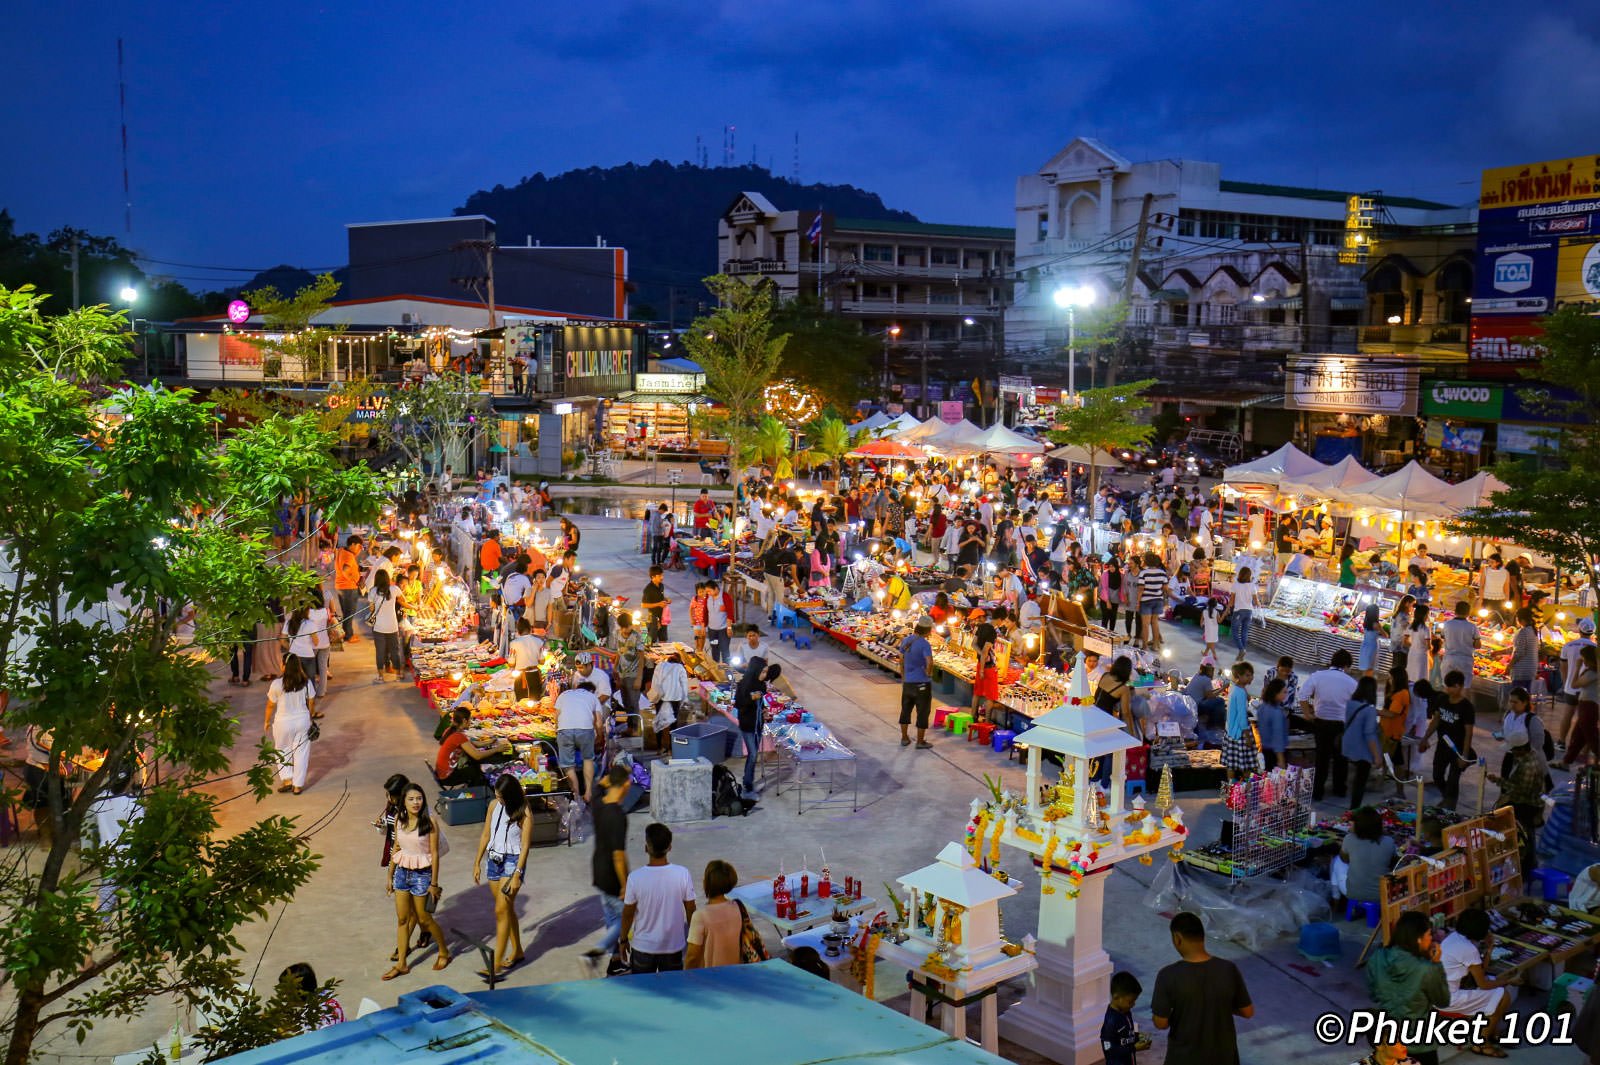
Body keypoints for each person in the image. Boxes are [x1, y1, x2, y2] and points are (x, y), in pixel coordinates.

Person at [1150, 911, 1253, 1065]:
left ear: (1177, 939)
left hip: (1183, 1058)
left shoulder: (1168, 976)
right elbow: (1248, 1012)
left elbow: (1161, 1023)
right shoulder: (1228, 969)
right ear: (1202, 937)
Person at [382, 782, 451, 980]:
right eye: (411, 799)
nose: (416, 802)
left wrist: (434, 884)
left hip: (422, 875)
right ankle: (402, 964)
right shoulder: (398, 819)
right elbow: (396, 847)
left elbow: (435, 854)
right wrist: (390, 875)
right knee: (402, 920)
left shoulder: (429, 821)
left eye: (419, 798)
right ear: (403, 801)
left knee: (424, 919)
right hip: (402, 873)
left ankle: (444, 951)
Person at [1366, 911, 1450, 1065]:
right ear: (1418, 939)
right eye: (1429, 935)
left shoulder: (1376, 958)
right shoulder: (1426, 968)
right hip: (1419, 1043)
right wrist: (1437, 965)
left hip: (1389, 1039)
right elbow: (1443, 1000)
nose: (1431, 939)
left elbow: (1373, 994)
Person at [472, 775, 534, 979]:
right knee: (507, 909)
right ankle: (517, 951)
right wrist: (477, 862)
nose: (499, 800)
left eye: (502, 797)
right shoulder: (493, 806)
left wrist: (517, 874)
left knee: (500, 910)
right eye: (497, 796)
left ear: (511, 795)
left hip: (512, 863)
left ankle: (495, 964)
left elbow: (525, 846)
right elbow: (485, 834)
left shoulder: (524, 811)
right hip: (493, 860)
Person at [620, 822, 697, 973]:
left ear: (646, 848)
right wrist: (693, 941)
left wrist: (623, 940)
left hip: (643, 947)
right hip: (673, 947)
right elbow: (691, 910)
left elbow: (628, 914)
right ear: (670, 847)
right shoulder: (683, 874)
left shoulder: (635, 877)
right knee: (672, 993)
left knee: (643, 993)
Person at [1437, 908, 1515, 1057]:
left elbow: (1480, 970)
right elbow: (1483, 984)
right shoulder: (1468, 948)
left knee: (1495, 990)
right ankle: (1481, 1043)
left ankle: (1492, 1032)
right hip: (1450, 999)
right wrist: (1507, 981)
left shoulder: (1453, 937)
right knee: (1502, 996)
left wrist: (1489, 949)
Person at [582, 764, 632, 972]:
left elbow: (595, 789)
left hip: (599, 871)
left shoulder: (599, 805)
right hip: (612, 875)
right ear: (626, 785)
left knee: (612, 919)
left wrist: (606, 779)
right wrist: (625, 885)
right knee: (626, 922)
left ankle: (616, 961)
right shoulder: (618, 816)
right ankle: (596, 952)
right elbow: (619, 856)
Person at [1301, 650, 1358, 802]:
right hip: (1341, 724)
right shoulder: (1351, 682)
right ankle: (1339, 789)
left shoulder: (1318, 676)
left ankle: (1318, 792)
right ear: (1346, 665)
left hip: (1321, 722)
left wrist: (1307, 713)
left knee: (1322, 758)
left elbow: (1302, 695)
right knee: (1341, 758)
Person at [1421, 671, 1475, 812]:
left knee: (1453, 780)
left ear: (1459, 686)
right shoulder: (1443, 700)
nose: (1447, 689)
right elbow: (1436, 720)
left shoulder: (1467, 707)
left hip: (1457, 749)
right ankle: (1447, 798)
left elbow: (1468, 733)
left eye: (1451, 687)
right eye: (1447, 686)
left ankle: (1450, 807)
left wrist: (1464, 755)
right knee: (1437, 775)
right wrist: (1425, 738)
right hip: (1442, 746)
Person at [265, 656, 317, 795]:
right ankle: (297, 785)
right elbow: (311, 702)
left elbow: (270, 705)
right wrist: (310, 715)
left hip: (283, 722)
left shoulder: (277, 684)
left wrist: (266, 721)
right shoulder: (306, 683)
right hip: (302, 721)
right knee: (301, 752)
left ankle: (287, 779)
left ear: (284, 665)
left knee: (282, 750)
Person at [686, 859, 747, 969]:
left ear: (707, 883)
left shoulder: (700, 916)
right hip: (735, 973)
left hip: (710, 978)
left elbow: (692, 956)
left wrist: (685, 977)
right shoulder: (738, 907)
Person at [1338, 806, 1397, 910]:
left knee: (1336, 862)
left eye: (1352, 823)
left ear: (1359, 825)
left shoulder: (1349, 839)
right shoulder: (1389, 841)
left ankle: (1336, 899)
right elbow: (1392, 865)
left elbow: (1344, 859)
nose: (1350, 825)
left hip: (1354, 893)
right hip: (1383, 894)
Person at [736, 658, 778, 797]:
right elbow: (740, 703)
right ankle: (747, 784)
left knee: (754, 755)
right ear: (755, 670)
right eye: (763, 671)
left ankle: (749, 782)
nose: (764, 675)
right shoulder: (743, 684)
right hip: (747, 725)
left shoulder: (761, 685)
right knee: (753, 754)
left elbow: (760, 702)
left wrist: (764, 710)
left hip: (758, 723)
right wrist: (753, 697)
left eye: (766, 672)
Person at [555, 680, 604, 796]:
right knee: (588, 759)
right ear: (591, 691)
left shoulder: (564, 695)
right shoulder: (592, 697)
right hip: (585, 730)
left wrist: (558, 730)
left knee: (568, 765)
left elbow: (556, 717)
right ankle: (588, 793)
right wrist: (599, 737)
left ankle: (575, 793)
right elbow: (599, 723)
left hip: (565, 730)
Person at [1342, 676, 1382, 809]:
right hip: (1362, 749)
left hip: (1348, 744)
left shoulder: (1349, 704)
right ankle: (1354, 809)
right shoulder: (1369, 710)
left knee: (1355, 777)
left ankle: (1352, 808)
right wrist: (1376, 756)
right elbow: (1369, 735)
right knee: (1360, 781)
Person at [435, 707, 499, 787]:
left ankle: (471, 787)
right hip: (447, 776)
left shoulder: (449, 730)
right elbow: (477, 756)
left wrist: (490, 741)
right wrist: (497, 749)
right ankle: (474, 793)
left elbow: (473, 744)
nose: (470, 722)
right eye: (470, 720)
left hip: (439, 771)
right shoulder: (458, 736)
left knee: (474, 765)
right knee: (479, 771)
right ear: (465, 721)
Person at [1561, 644, 1600, 768]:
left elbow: (1574, 684)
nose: (1582, 661)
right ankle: (1566, 762)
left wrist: (1577, 668)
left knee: (1591, 736)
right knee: (1578, 737)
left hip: (1589, 706)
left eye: (1584, 659)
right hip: (1585, 705)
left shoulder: (1593, 674)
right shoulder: (1591, 672)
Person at [899, 618, 935, 749]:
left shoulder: (906, 640)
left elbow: (901, 659)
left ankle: (904, 738)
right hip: (922, 684)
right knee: (923, 712)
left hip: (908, 682)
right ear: (928, 630)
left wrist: (904, 676)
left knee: (905, 710)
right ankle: (920, 742)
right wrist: (928, 673)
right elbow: (929, 662)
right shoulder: (925, 644)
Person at [646, 653, 690, 755]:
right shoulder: (680, 668)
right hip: (674, 698)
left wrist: (655, 697)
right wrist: (684, 700)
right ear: (678, 661)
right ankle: (671, 749)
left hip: (660, 698)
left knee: (659, 722)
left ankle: (659, 748)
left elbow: (654, 683)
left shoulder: (660, 666)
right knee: (673, 724)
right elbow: (684, 685)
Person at [1221, 661, 1258, 781]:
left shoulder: (1234, 688)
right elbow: (1242, 717)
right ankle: (1247, 789)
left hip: (1230, 731)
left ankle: (1231, 788)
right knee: (1247, 765)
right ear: (1239, 676)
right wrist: (1247, 736)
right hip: (1241, 732)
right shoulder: (1240, 692)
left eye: (1251, 674)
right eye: (1247, 675)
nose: (1251, 677)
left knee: (1231, 763)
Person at [1102, 970, 1147, 1065]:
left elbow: (1125, 1034)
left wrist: (1137, 1037)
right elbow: (1108, 1048)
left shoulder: (1126, 1012)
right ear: (1116, 997)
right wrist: (1134, 1048)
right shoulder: (1111, 1021)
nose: (1133, 1004)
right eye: (1130, 1002)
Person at [1379, 666, 1411, 794]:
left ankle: (1400, 791)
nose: (1389, 680)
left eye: (1391, 677)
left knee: (1397, 762)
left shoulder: (1401, 694)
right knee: (1388, 759)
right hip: (1387, 731)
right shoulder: (1394, 693)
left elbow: (1392, 713)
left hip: (1393, 733)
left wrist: (1375, 711)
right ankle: (1381, 782)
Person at [368, 569, 404, 682]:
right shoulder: (394, 589)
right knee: (395, 650)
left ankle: (380, 677)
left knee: (380, 651)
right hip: (392, 625)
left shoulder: (373, 591)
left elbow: (371, 609)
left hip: (379, 626)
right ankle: (398, 675)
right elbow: (403, 599)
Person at [611, 613, 646, 716]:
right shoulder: (617, 634)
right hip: (621, 674)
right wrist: (615, 668)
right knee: (625, 702)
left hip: (633, 675)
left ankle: (636, 728)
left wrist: (639, 679)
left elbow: (641, 658)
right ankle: (630, 727)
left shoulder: (637, 637)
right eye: (623, 627)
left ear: (631, 624)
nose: (625, 630)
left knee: (633, 704)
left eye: (627, 626)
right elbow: (619, 652)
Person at [1439, 601, 1480, 683]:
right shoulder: (1472, 627)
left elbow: (1443, 639)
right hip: (1465, 661)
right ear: (1468, 613)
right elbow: (1477, 646)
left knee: (1447, 686)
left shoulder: (1447, 624)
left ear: (1455, 611)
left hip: (1449, 659)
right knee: (1463, 687)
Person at [335, 535, 364, 643]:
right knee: (349, 613)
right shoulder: (348, 556)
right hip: (348, 588)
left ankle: (347, 633)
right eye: (358, 546)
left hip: (341, 586)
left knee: (346, 612)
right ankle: (348, 636)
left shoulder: (342, 551)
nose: (359, 549)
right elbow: (345, 569)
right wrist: (355, 580)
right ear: (352, 544)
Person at [1137, 552, 1169, 651]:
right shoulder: (1162, 573)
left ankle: (1145, 646)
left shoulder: (1143, 573)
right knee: (1155, 622)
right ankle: (1155, 645)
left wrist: (1138, 602)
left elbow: (1141, 589)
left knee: (1145, 624)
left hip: (1146, 600)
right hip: (1158, 600)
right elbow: (1165, 588)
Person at [507, 617, 545, 702]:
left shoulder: (514, 643)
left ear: (518, 630)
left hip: (520, 677)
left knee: (521, 703)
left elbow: (511, 663)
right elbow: (542, 661)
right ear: (530, 629)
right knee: (535, 702)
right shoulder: (539, 641)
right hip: (535, 676)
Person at [1227, 567, 1257, 663]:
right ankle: (1242, 654)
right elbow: (1256, 601)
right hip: (1249, 611)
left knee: (1234, 631)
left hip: (1239, 611)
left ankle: (1241, 649)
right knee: (1244, 632)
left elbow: (1231, 601)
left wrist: (1227, 609)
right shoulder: (1252, 586)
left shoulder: (1236, 585)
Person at [1403, 604, 1431, 692]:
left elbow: (1405, 641)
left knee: (1411, 675)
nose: (1428, 616)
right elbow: (1428, 646)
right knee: (1420, 677)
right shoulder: (1425, 629)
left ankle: (1410, 692)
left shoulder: (1410, 626)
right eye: (1427, 614)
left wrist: (1413, 645)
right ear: (1424, 615)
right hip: (1421, 655)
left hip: (1412, 653)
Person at [641, 566, 671, 644]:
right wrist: (658, 604)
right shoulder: (648, 589)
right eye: (660, 576)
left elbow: (660, 597)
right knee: (651, 640)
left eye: (662, 575)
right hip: (653, 617)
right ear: (653, 577)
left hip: (663, 616)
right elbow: (643, 605)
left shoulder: (661, 586)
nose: (662, 577)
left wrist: (666, 599)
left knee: (663, 638)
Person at [1358, 604, 1382, 677]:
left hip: (1365, 645)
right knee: (1370, 667)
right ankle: (1368, 683)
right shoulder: (1376, 624)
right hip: (1372, 646)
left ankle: (1363, 681)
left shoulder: (1365, 622)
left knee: (1366, 665)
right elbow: (1386, 635)